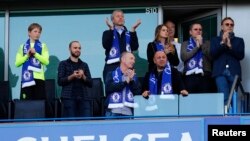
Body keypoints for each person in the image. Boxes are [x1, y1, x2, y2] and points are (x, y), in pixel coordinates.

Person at [210, 17, 245, 105]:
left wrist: (230, 46)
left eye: (231, 25)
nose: (229, 26)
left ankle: (232, 117)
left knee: (233, 98)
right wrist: (222, 42)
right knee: (224, 96)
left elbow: (241, 56)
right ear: (222, 27)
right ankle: (225, 117)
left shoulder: (239, 40)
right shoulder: (215, 40)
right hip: (220, 72)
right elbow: (213, 54)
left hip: (234, 72)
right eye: (227, 24)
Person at [102, 9, 141, 82]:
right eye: (118, 16)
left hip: (127, 68)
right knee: (112, 91)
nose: (121, 18)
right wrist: (111, 29)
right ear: (113, 20)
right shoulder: (107, 33)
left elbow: (135, 47)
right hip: (111, 67)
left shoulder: (129, 33)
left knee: (128, 91)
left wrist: (133, 30)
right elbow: (106, 45)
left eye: (122, 16)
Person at [57, 41, 93, 118]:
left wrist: (83, 76)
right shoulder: (63, 64)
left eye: (79, 48)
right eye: (75, 48)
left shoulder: (84, 65)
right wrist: (72, 76)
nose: (78, 50)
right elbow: (60, 81)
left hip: (84, 98)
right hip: (68, 99)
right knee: (70, 125)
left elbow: (90, 83)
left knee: (86, 124)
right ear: (70, 49)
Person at [15, 23, 49, 100]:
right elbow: (17, 63)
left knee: (39, 105)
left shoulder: (43, 45)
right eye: (35, 31)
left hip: (39, 79)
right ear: (29, 32)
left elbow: (46, 62)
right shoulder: (22, 46)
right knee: (26, 105)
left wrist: (35, 54)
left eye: (39, 32)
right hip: (26, 78)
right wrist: (27, 55)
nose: (37, 34)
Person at [180, 22, 214, 93]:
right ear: (190, 32)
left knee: (204, 99)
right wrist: (197, 47)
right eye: (195, 29)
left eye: (200, 29)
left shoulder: (207, 43)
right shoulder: (185, 43)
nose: (198, 31)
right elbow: (184, 57)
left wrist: (201, 45)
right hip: (189, 76)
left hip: (205, 75)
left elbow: (211, 57)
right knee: (190, 100)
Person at [105, 52, 141, 117]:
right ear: (123, 59)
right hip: (113, 111)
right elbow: (108, 88)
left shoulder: (134, 77)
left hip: (128, 112)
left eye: (134, 59)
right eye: (131, 58)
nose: (133, 61)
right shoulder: (111, 74)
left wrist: (131, 80)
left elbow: (138, 93)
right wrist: (125, 82)